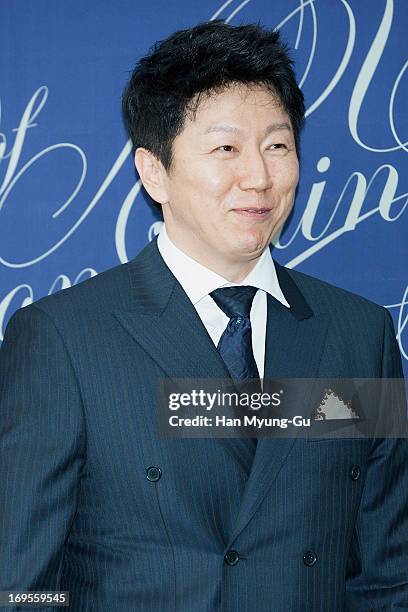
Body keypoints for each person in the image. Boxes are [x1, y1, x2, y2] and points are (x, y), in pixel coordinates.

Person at [1, 20, 407, 611]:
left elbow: (389, 577)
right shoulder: (61, 339)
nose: (259, 178)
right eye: (225, 149)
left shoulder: (360, 335)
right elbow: (21, 588)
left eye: (277, 144)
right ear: (153, 171)